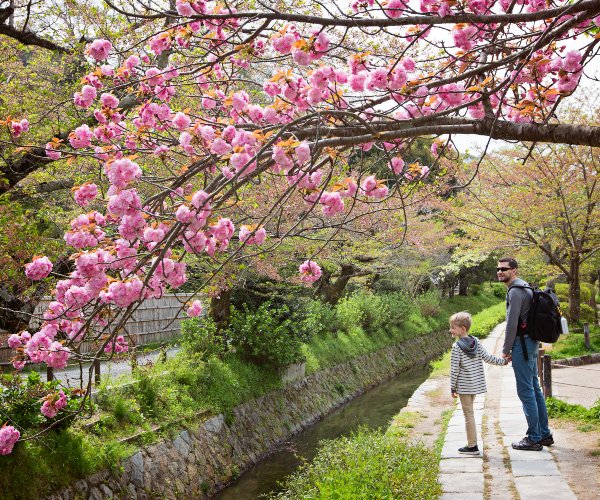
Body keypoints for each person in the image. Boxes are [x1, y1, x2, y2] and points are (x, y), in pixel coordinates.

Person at [497, 257, 554, 451]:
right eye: (498, 269)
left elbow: (512, 324)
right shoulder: (526, 287)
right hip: (531, 342)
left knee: (526, 392)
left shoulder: (515, 291)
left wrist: (506, 350)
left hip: (522, 344)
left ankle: (534, 437)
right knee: (534, 389)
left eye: (504, 269)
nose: (500, 271)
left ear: (514, 271)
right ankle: (544, 434)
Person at [450, 311, 508, 455]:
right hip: (475, 386)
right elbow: (488, 358)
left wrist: (452, 387)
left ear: (462, 328)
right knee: (470, 413)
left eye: (453, 327)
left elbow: (454, 370)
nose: (450, 330)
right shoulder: (475, 341)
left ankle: (472, 446)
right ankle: (472, 444)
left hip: (464, 387)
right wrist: (503, 361)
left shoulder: (457, 347)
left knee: (468, 415)